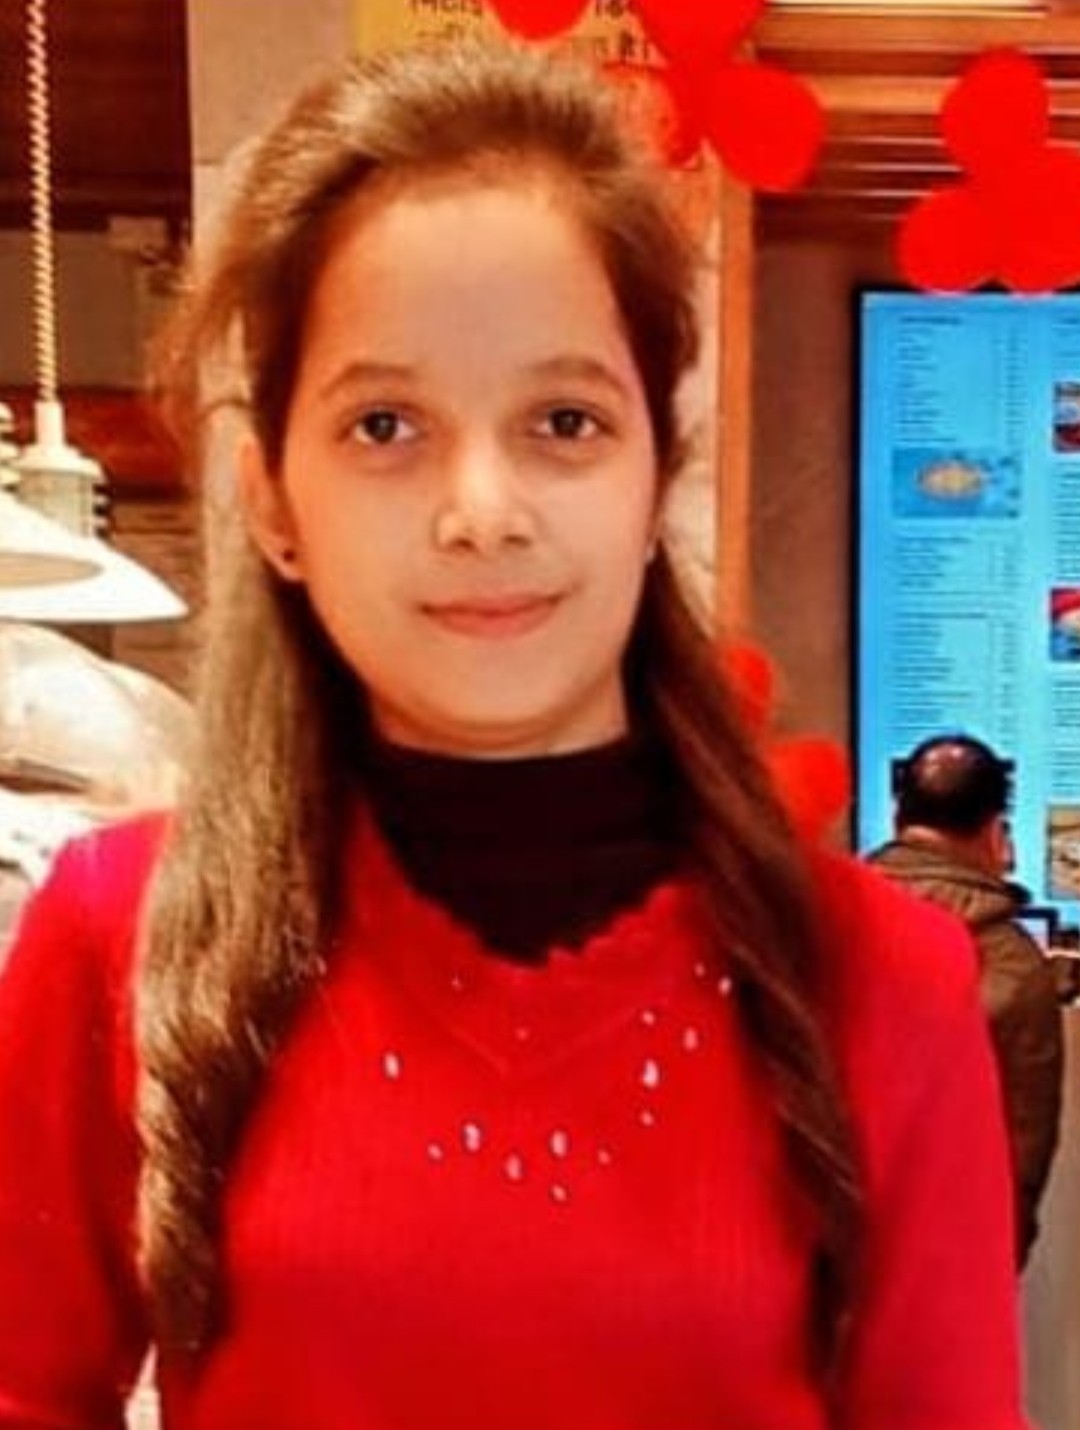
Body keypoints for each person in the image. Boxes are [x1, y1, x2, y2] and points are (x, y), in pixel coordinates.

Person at [0, 40, 1029, 1430]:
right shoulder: (116, 934)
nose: (482, 509)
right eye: (385, 424)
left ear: (656, 470)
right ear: (273, 501)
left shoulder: (880, 977)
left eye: (563, 420)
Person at [867, 733, 1063, 1267]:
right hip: (951, 1267)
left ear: (897, 819)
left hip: (822, 1266)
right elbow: (1020, 1166)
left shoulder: (818, 922)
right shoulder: (1013, 967)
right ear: (998, 835)